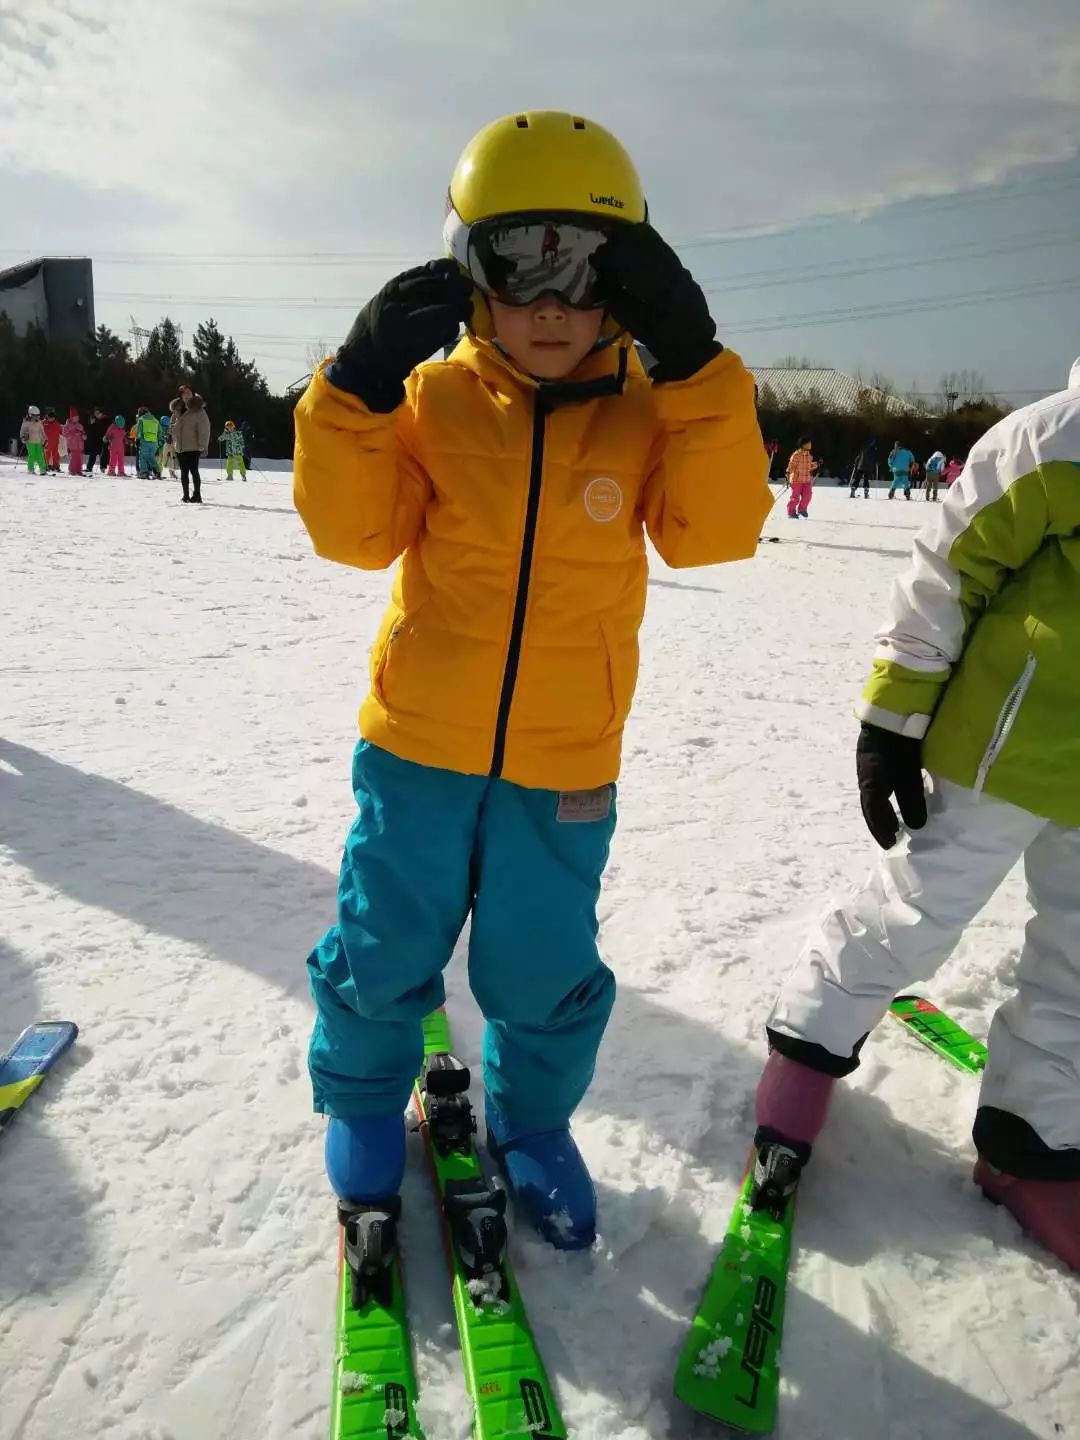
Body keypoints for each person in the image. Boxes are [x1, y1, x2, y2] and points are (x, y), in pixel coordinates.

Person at [294, 109, 772, 1249]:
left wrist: (699, 369)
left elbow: (716, 531)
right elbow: (352, 534)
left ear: (631, 281)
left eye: (583, 268)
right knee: (382, 942)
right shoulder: (433, 398)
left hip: (564, 758)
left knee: (543, 964)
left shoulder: (653, 409)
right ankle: (362, 1104)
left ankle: (535, 1121)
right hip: (417, 745)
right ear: (469, 271)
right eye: (520, 266)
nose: (550, 306)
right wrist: (356, 389)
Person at [754, 357, 1080, 1271]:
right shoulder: (1061, 436)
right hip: (1006, 748)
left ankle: (1032, 1145)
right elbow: (949, 564)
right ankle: (806, 1053)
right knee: (915, 911)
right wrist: (893, 716)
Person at [172, 386, 210, 503]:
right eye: (185, 393)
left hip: (194, 446)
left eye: (189, 393)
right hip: (180, 446)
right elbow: (172, 425)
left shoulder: (199, 410)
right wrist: (172, 432)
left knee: (194, 471)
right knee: (184, 472)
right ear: (181, 396)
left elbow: (204, 428)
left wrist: (202, 445)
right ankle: (185, 496)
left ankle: (197, 495)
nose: (187, 395)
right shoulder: (177, 410)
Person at [786, 436, 819, 518]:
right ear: (803, 445)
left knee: (808, 496)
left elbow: (808, 466)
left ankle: (802, 509)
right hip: (796, 480)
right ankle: (791, 512)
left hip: (806, 480)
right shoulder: (796, 455)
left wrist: (816, 464)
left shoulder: (809, 456)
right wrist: (788, 472)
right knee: (795, 498)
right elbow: (791, 465)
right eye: (809, 443)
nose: (810, 445)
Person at [19, 405, 47, 475]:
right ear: (30, 415)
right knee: (32, 455)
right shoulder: (26, 422)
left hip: (38, 441)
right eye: (35, 415)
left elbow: (42, 431)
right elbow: (22, 431)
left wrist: (44, 438)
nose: (37, 417)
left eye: (38, 415)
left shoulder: (39, 422)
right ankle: (31, 469)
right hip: (30, 441)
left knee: (40, 455)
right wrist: (23, 437)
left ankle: (42, 469)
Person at [135, 407, 161, 478]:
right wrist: (158, 440)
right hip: (154, 442)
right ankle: (157, 472)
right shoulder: (155, 420)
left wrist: (137, 440)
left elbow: (139, 431)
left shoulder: (141, 419)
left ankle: (144, 472)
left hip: (145, 441)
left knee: (143, 457)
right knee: (152, 457)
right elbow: (160, 432)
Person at [84, 408, 109, 475]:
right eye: (96, 413)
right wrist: (91, 424)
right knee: (92, 454)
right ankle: (89, 467)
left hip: (103, 440)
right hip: (95, 440)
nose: (97, 415)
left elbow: (108, 429)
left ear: (101, 413)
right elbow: (90, 430)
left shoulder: (105, 420)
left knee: (103, 454)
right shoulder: (94, 420)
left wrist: (107, 437)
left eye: (98, 413)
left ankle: (103, 467)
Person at [62, 409, 86, 476]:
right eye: (75, 417)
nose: (77, 418)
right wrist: (74, 434)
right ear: (72, 418)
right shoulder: (67, 425)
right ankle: (72, 470)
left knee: (80, 458)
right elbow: (65, 434)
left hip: (80, 444)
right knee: (74, 458)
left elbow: (83, 432)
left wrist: (84, 435)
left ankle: (79, 470)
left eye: (78, 417)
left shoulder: (80, 425)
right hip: (73, 444)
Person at [42, 408, 63, 473]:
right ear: (47, 417)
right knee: (47, 454)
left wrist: (63, 431)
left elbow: (61, 431)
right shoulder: (44, 423)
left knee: (55, 454)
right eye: (50, 418)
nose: (51, 419)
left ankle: (56, 466)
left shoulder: (57, 423)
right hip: (47, 442)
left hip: (55, 442)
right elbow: (40, 429)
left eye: (52, 418)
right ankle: (46, 466)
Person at [159, 409, 179, 479]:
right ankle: (171, 473)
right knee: (170, 458)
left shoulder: (160, 428)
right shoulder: (169, 427)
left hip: (163, 445)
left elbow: (159, 436)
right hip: (169, 445)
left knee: (162, 460)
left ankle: (159, 472)